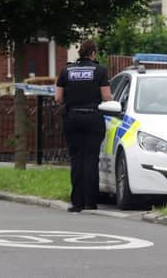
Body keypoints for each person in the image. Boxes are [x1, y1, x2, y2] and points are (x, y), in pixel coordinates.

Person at [55, 40, 112, 212]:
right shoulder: (100, 71)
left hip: (72, 118)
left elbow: (58, 98)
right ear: (93, 53)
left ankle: (77, 202)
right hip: (93, 118)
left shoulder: (66, 70)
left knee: (76, 159)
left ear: (80, 53)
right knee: (91, 159)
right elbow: (107, 97)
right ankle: (90, 201)